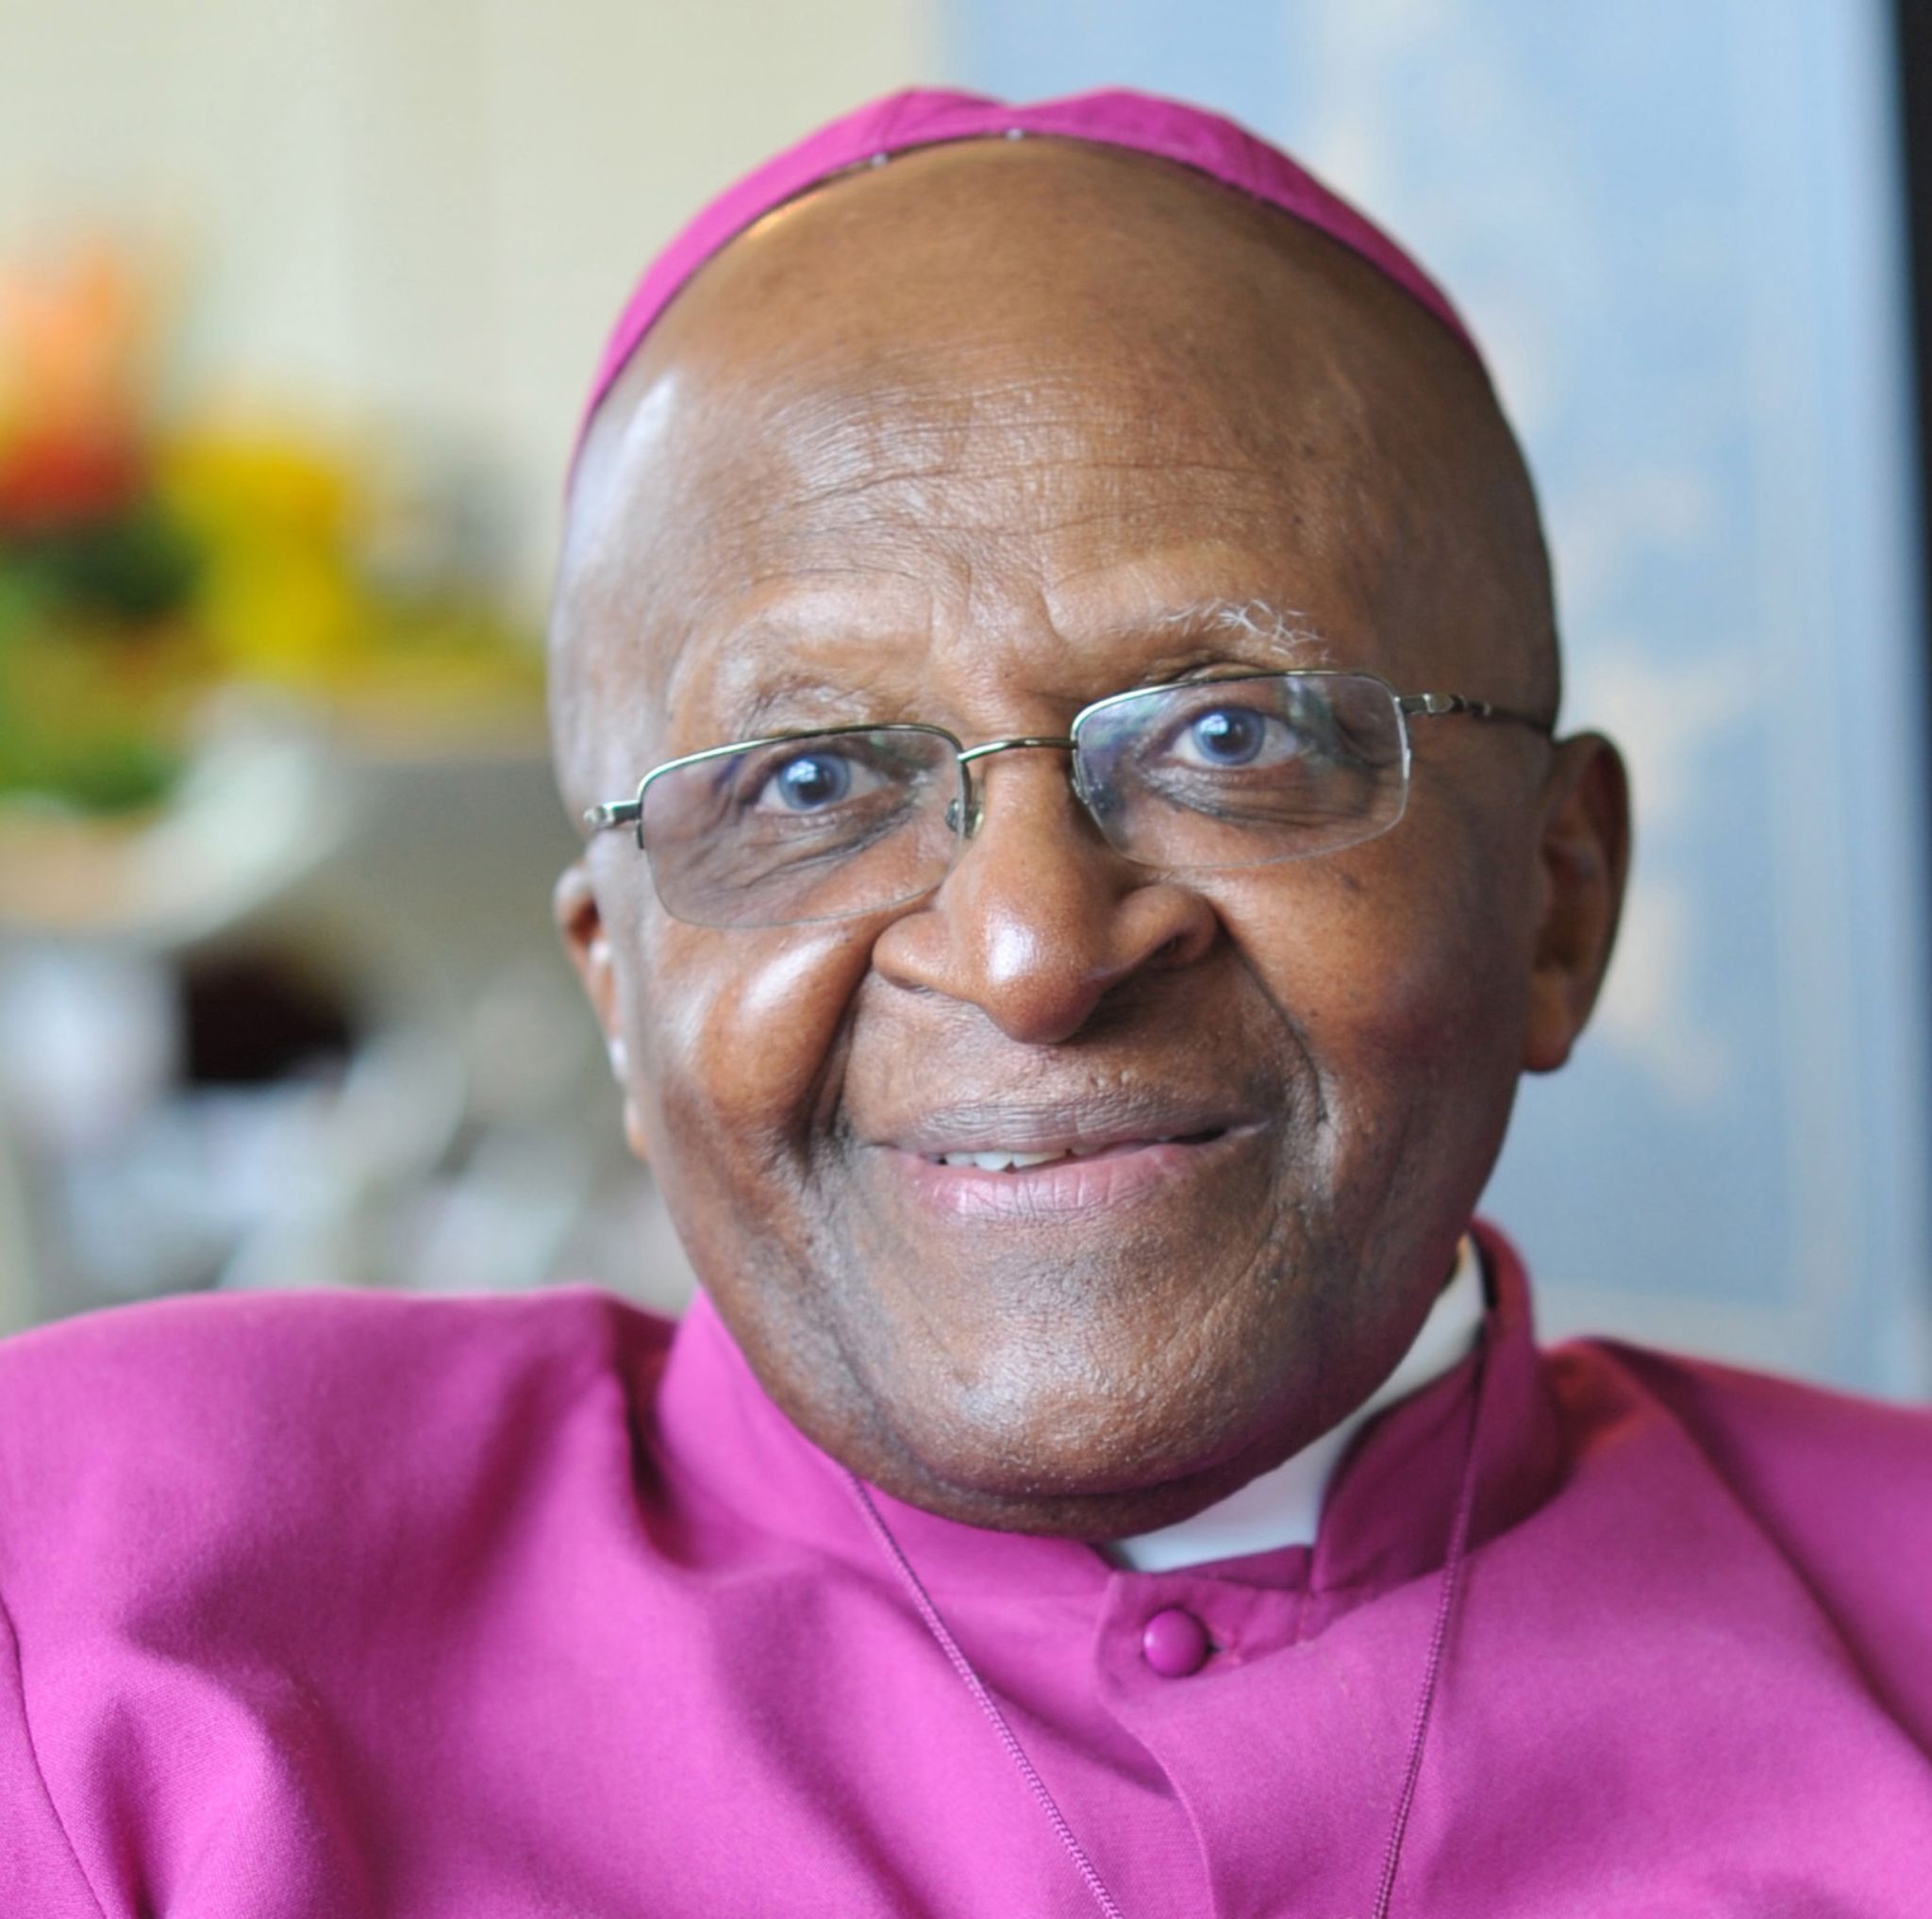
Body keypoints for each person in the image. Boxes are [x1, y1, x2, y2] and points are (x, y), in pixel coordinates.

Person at [3, 87, 1929, 1919]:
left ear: (1556, 902)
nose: (1028, 949)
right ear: (619, 979)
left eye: (1229, 733)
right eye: (811, 782)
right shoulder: (102, 1603)